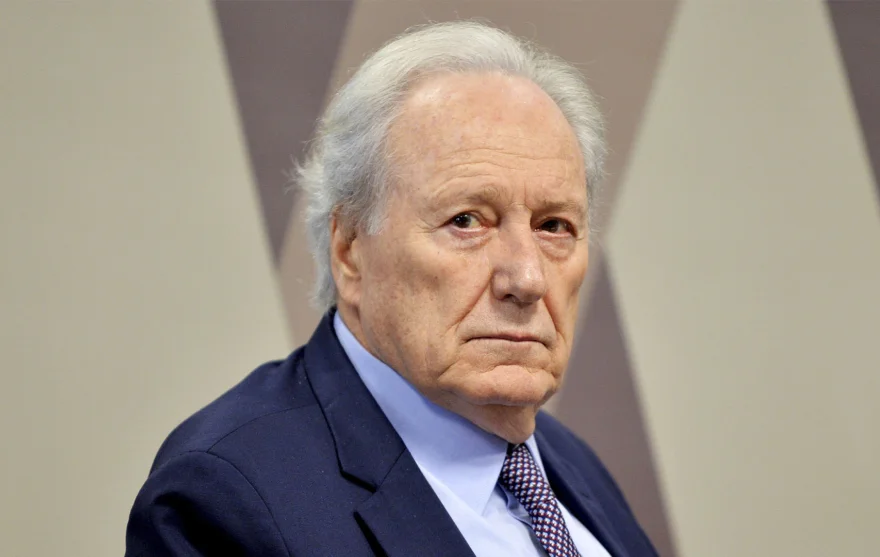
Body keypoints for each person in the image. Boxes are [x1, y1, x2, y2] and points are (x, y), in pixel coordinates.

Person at [125, 21, 658, 557]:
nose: (527, 278)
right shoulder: (223, 501)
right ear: (349, 249)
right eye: (466, 220)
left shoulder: (569, 465)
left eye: (554, 226)